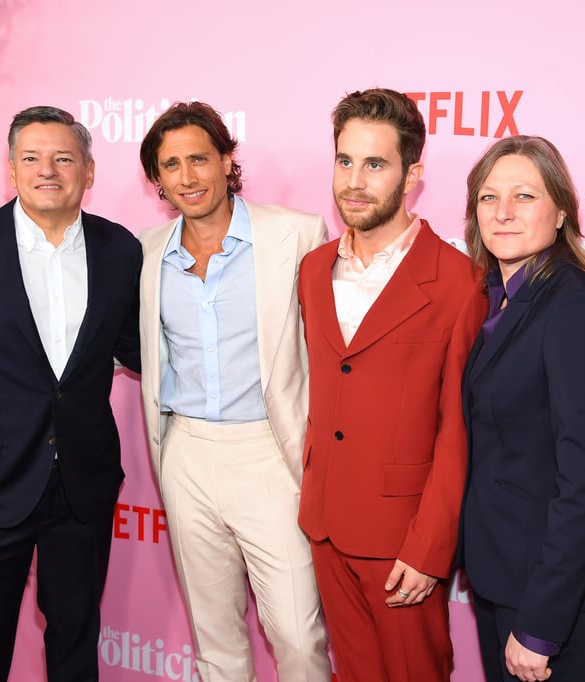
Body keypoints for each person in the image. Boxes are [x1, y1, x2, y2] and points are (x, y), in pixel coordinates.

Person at [0, 105, 141, 680]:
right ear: (11, 169)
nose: (48, 170)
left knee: (74, 645)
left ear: (89, 170)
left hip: (81, 487)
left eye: (64, 158)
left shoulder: (121, 249)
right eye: (31, 157)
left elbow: (137, 348)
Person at [136, 101, 331, 681]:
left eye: (199, 158)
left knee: (297, 635)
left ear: (226, 160)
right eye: (171, 165)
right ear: (158, 179)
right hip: (187, 453)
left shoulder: (297, 233)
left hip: (271, 451)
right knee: (214, 638)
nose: (188, 177)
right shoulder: (146, 252)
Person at [298, 87, 487, 681]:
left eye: (375, 164)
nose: (354, 181)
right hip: (326, 524)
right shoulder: (312, 268)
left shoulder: (459, 282)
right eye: (344, 160)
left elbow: (457, 431)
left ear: (412, 175)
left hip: (402, 540)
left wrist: (429, 547)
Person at [458, 136, 585, 682]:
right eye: (489, 198)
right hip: (502, 574)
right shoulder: (499, 297)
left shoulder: (575, 306)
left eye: (525, 196)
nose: (503, 212)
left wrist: (539, 625)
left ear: (560, 212)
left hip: (551, 597)